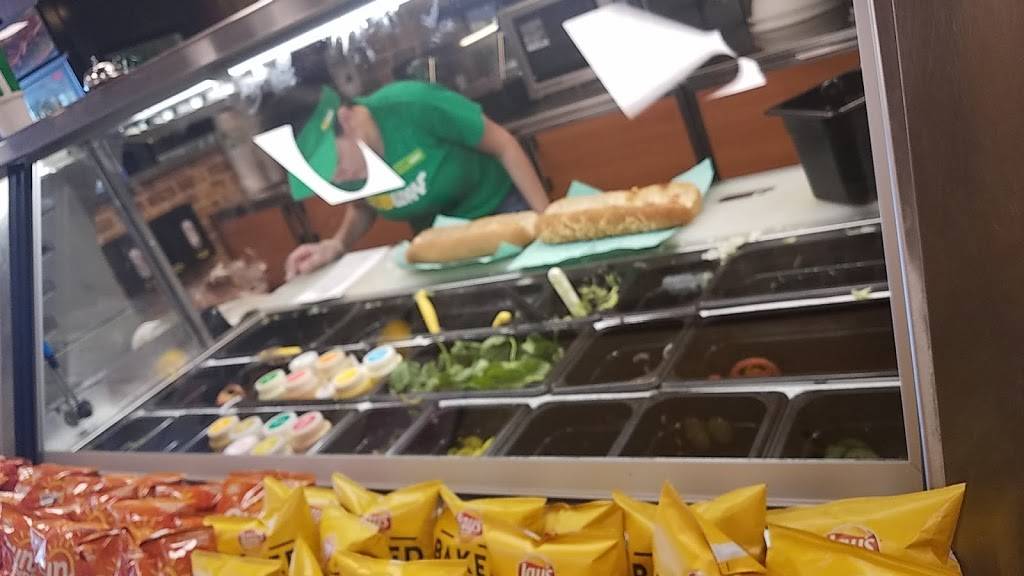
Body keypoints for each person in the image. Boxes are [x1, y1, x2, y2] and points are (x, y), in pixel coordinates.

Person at [282, 80, 549, 279]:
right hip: (440, 246)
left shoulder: (411, 104)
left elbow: (504, 146)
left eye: (335, 162)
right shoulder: (345, 166)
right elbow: (362, 205)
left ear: (345, 118)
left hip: (502, 215)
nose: (338, 177)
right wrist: (337, 244)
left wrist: (546, 223)